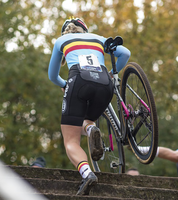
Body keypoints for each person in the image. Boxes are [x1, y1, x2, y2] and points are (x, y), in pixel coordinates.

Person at [48, 17, 130, 195]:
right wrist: (109, 75)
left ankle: (87, 174)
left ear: (65, 32)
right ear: (84, 29)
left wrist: (65, 84)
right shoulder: (99, 38)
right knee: (87, 120)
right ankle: (91, 128)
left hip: (78, 79)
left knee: (71, 140)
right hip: (104, 82)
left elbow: (52, 76)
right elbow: (125, 54)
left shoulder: (61, 41)